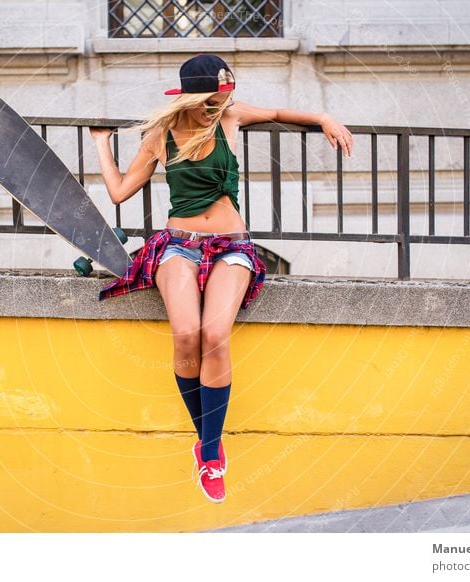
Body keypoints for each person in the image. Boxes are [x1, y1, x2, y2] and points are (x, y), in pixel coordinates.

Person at [89, 54, 353, 503]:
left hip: (232, 244)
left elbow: (275, 113)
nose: (223, 102)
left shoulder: (230, 117)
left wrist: (323, 116)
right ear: (195, 95)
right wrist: (100, 143)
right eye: (215, 95)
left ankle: (209, 455)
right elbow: (119, 191)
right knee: (186, 336)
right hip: (177, 244)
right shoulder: (161, 135)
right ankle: (208, 442)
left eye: (226, 93)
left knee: (215, 335)